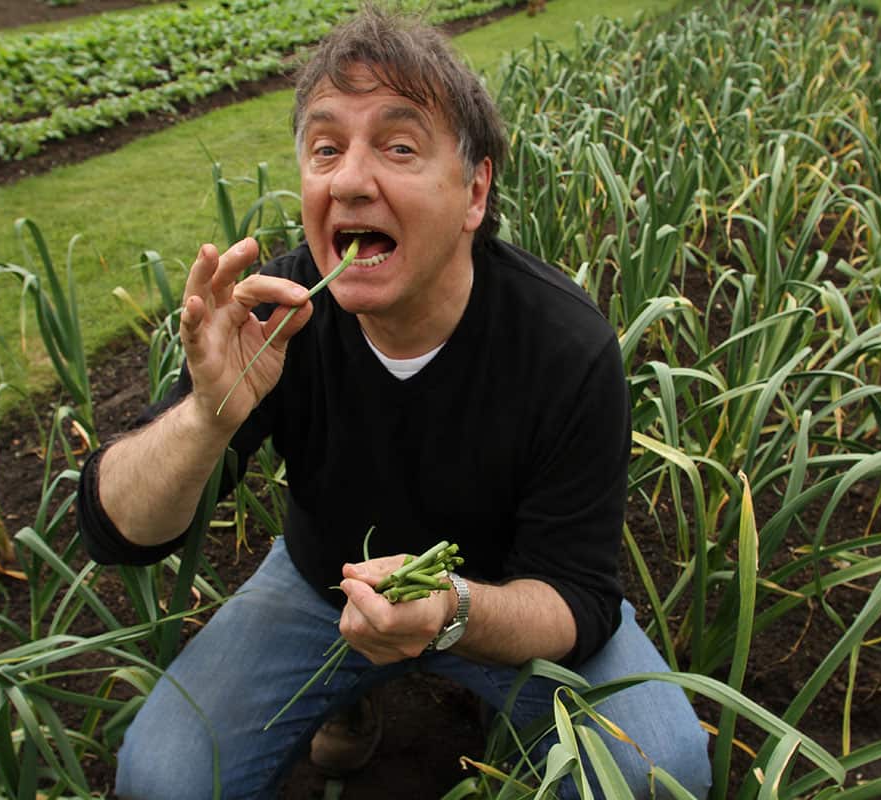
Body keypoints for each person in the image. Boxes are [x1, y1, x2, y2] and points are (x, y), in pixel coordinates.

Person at [76, 6, 711, 799]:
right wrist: (210, 413)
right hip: (322, 587)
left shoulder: (563, 348)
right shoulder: (277, 318)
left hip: (500, 599)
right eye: (326, 147)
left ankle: (484, 701)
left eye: (399, 146)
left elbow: (579, 599)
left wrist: (451, 611)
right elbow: (118, 533)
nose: (348, 178)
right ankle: (355, 694)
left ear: (474, 190)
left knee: (657, 773)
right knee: (162, 778)